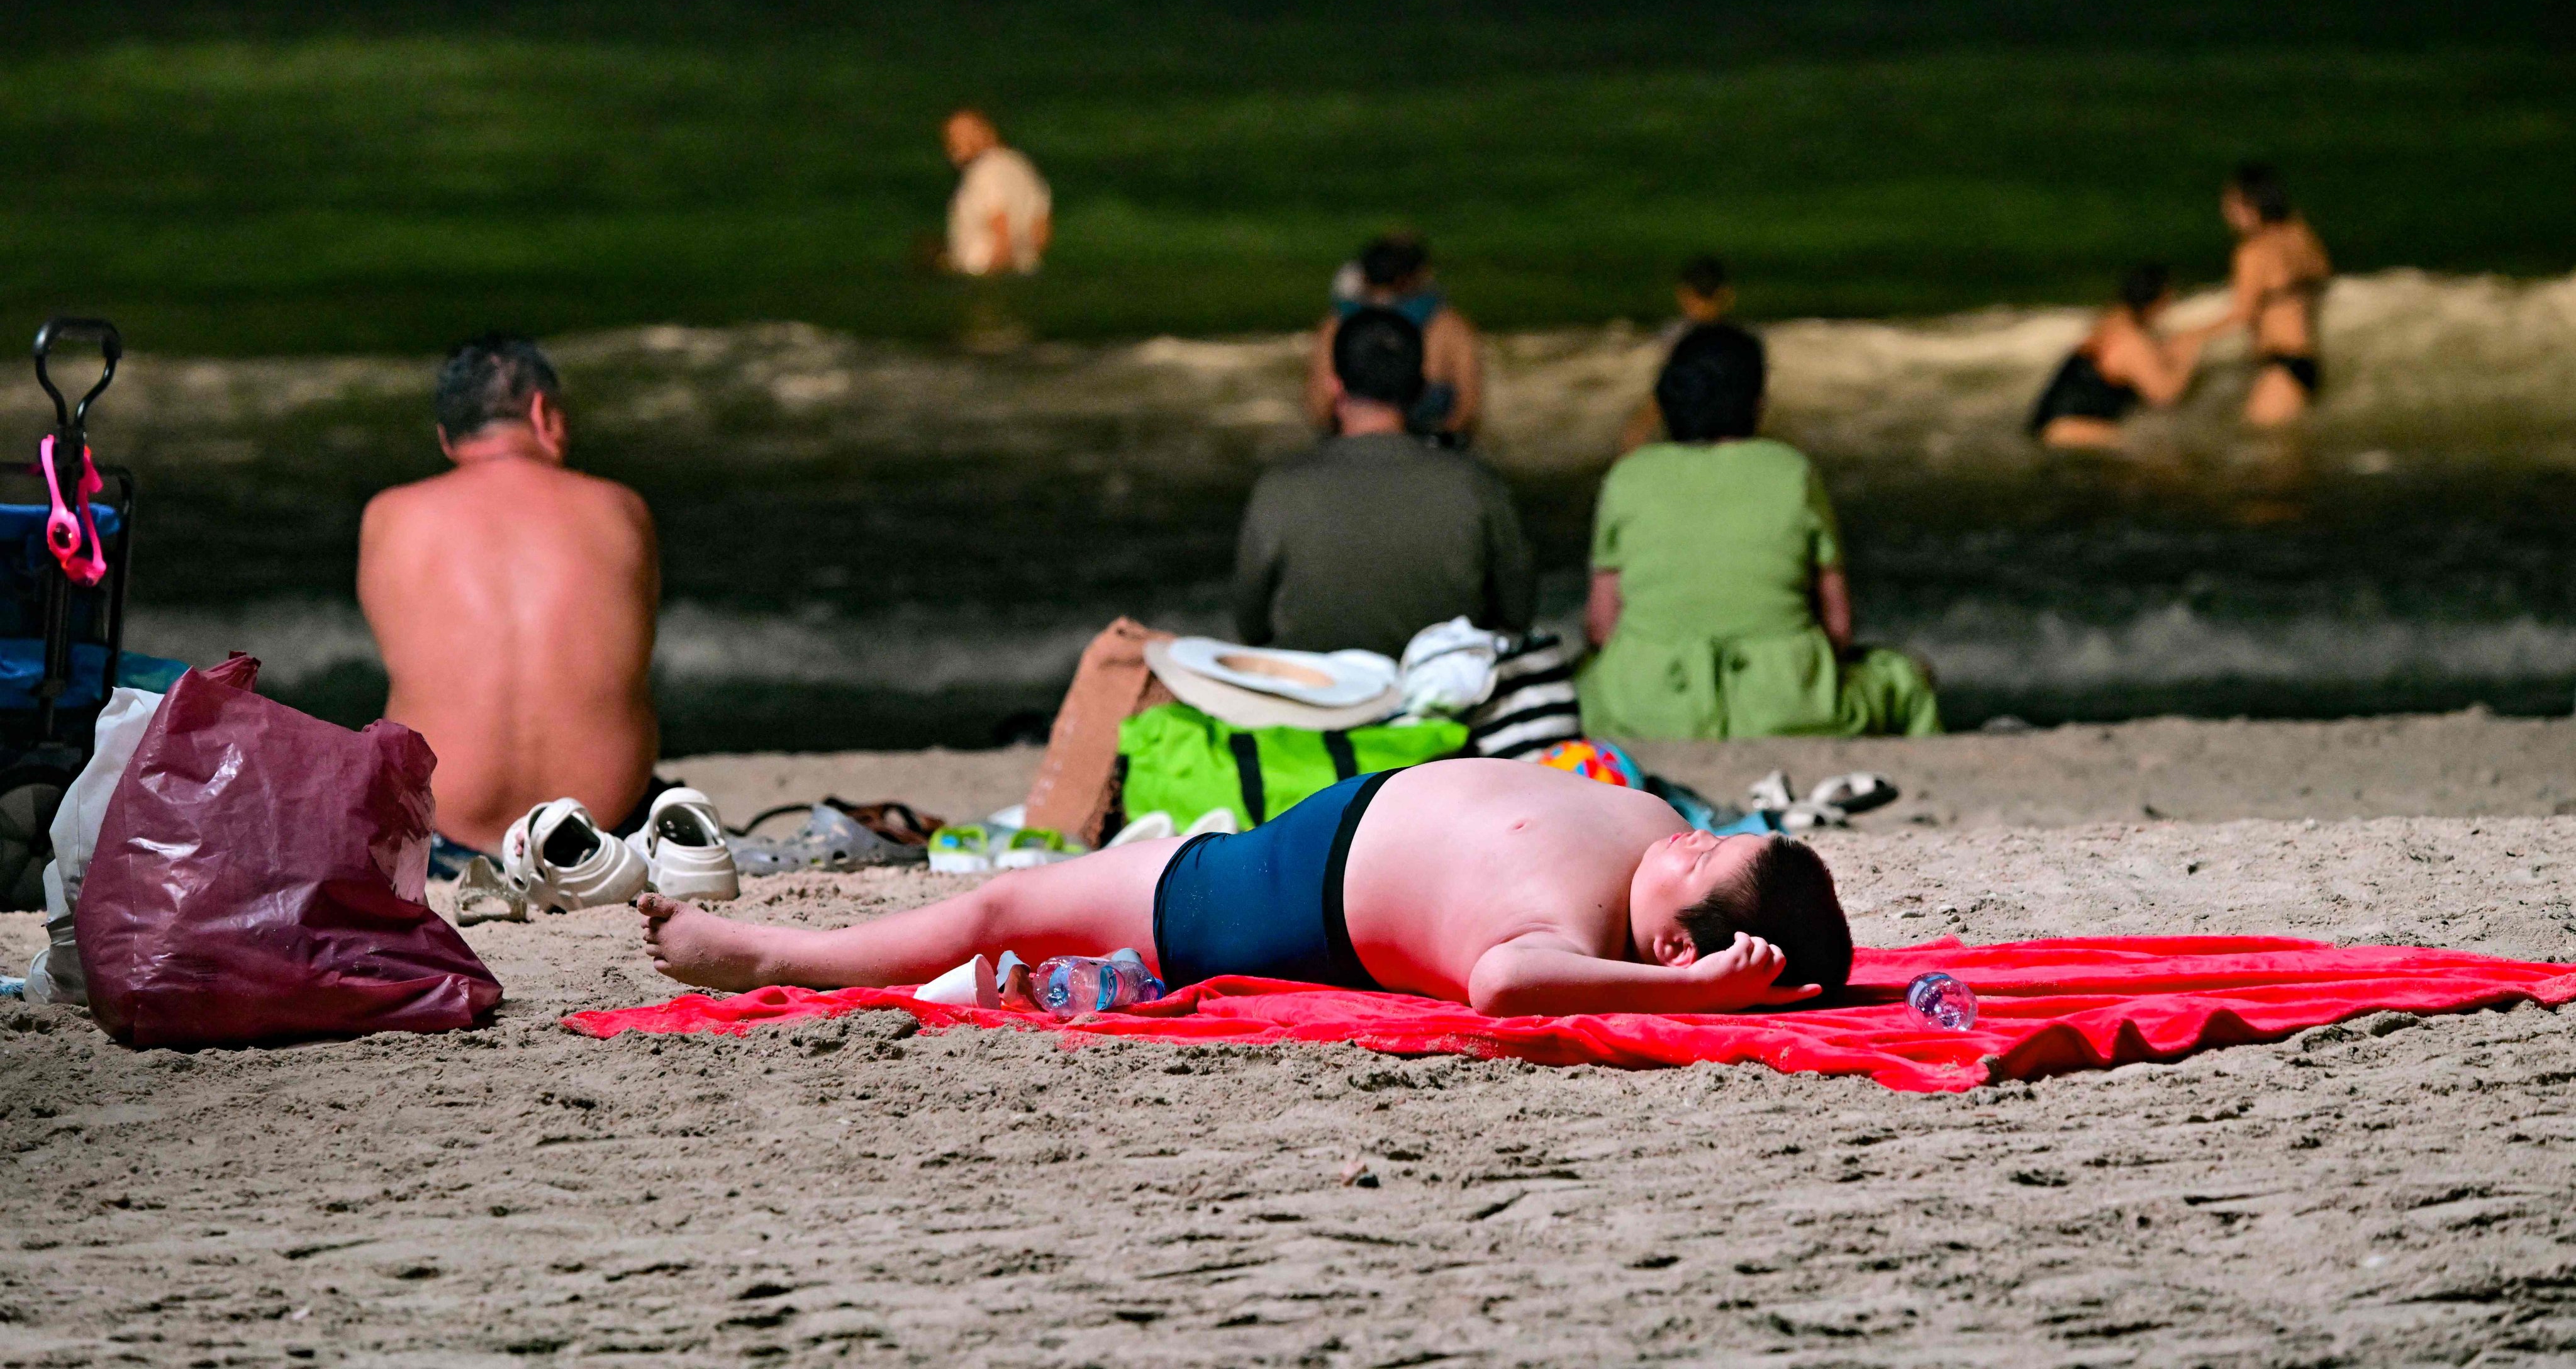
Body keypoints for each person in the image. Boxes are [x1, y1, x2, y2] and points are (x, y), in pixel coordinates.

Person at [638, 756, 1852, 1016]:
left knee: (1003, 903)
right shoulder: (1646, 823)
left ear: (1681, 950)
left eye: (1704, 861)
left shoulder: (1573, 932)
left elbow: (1502, 986)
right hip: (1303, 836)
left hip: (1282, 902)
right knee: (1024, 904)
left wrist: (1702, 1005)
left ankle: (756, 953)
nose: (1689, 838)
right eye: (1715, 835)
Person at [358, 335, 661, 854]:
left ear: (447, 439)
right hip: (599, 834)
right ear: (545, 415)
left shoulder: (391, 517)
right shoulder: (620, 509)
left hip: (439, 834)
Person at [1578, 323, 1938, 740]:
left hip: (1648, 705)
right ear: (1755, 400)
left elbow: (1602, 629)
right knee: (1905, 681)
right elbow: (1838, 627)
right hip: (1787, 702)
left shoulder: (1629, 476)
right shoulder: (1790, 471)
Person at [1238, 308, 1534, 658]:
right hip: (1441, 702)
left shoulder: (1279, 489)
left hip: (1316, 701)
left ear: (1335, 383)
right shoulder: (1476, 484)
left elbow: (1251, 626)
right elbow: (1516, 614)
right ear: (1421, 387)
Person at [1302, 232, 1483, 440]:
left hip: (1355, 445)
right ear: (1418, 276)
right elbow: (1468, 406)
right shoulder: (1449, 326)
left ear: (1364, 275)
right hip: (1429, 451)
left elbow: (1319, 407)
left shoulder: (1337, 325)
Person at [2028, 264, 2212, 447]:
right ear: (2159, 300)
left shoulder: (2107, 323)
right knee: (2155, 451)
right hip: (2075, 431)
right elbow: (2164, 396)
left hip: (2048, 426)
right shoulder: (2131, 339)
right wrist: (2188, 354)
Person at [2216, 162, 2331, 425]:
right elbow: (2322, 271)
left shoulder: (2251, 253)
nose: (2227, 213)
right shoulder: (2298, 234)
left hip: (2281, 366)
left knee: (2265, 458)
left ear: (2250, 205)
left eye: (2232, 204)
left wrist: (2192, 337)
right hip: (2307, 362)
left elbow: (2242, 315)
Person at [1619, 254, 1736, 454]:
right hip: (1729, 438)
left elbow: (1668, 391)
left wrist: (1636, 434)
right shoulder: (1743, 340)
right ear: (1726, 295)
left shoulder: (1677, 335)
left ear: (1685, 295)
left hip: (1689, 438)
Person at [940, 109, 1052, 276]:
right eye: (952, 136)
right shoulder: (1022, 166)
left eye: (964, 134)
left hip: (985, 273)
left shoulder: (985, 170)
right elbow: (1041, 233)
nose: (955, 144)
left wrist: (995, 278)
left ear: (988, 132)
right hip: (1026, 271)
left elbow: (1001, 224)